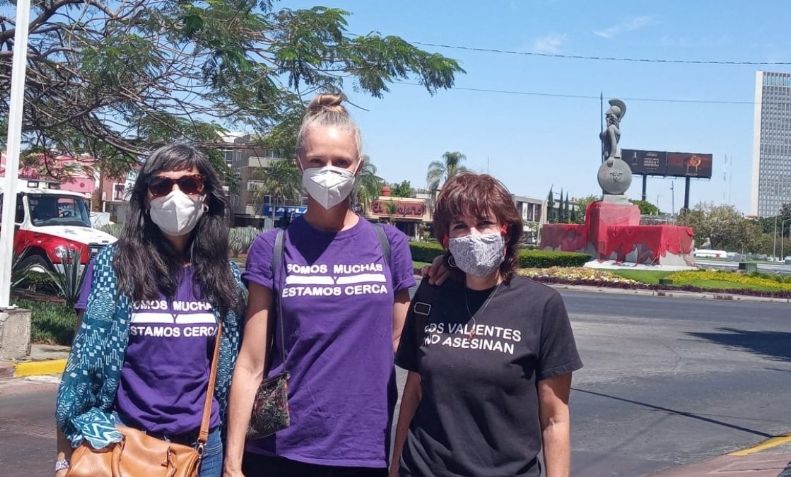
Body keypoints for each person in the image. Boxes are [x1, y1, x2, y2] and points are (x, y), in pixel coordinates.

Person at [224, 93, 415, 477]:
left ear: (357, 166)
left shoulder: (389, 245)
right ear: (300, 164)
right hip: (280, 451)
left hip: (364, 451)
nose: (329, 170)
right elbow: (251, 362)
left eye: (341, 162)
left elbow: (405, 346)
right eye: (317, 161)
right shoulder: (273, 247)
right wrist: (233, 461)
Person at [55, 144, 245, 477]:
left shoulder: (225, 278)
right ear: (146, 197)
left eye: (189, 184)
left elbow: (240, 368)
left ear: (207, 195)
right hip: (128, 445)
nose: (176, 195)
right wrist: (62, 457)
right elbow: (80, 370)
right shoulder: (114, 269)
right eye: (161, 185)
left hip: (205, 450)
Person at [390, 173, 583, 477]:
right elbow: (414, 391)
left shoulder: (542, 306)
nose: (473, 235)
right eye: (460, 227)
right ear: (446, 240)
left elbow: (555, 418)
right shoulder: (431, 294)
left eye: (484, 224)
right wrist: (395, 467)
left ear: (506, 231)